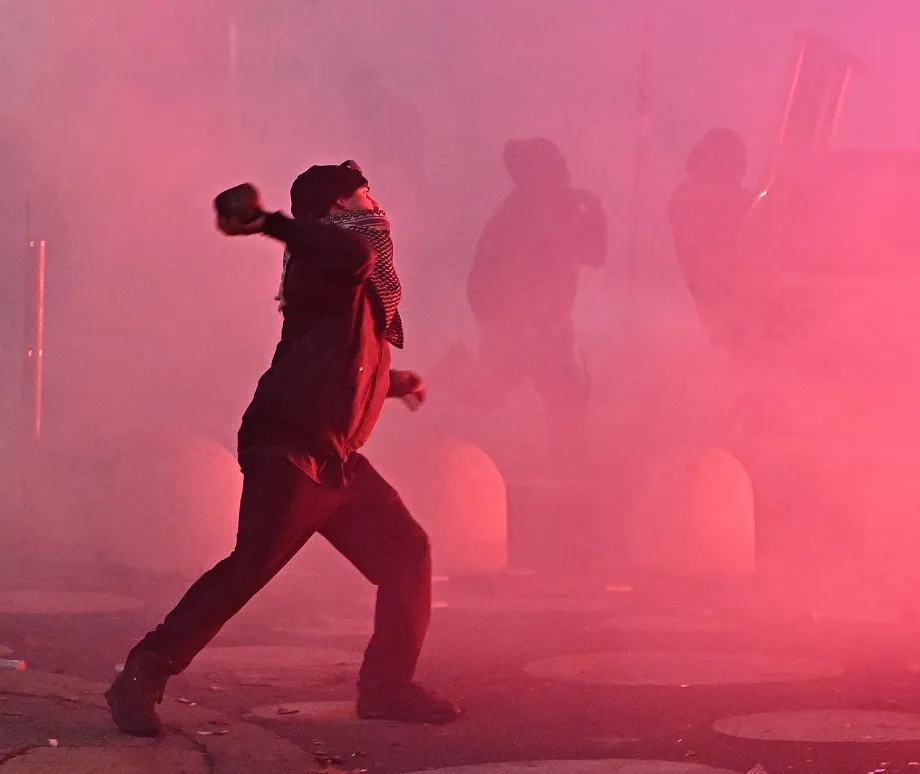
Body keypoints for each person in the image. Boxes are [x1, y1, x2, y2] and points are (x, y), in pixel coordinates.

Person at [105, 161, 459, 737]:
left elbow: (344, 357)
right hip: (291, 448)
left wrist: (394, 382)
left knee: (406, 553)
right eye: (367, 196)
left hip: (333, 456)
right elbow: (354, 258)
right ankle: (141, 675)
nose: (378, 208)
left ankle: (388, 688)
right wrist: (266, 222)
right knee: (249, 568)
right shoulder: (329, 264)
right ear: (339, 209)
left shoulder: (348, 282)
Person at [449, 138, 606, 472]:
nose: (566, 169)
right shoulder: (531, 212)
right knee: (536, 393)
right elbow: (591, 253)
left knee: (529, 392)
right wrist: (592, 214)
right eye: (556, 162)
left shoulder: (536, 207)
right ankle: (441, 390)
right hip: (526, 320)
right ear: (538, 171)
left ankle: (567, 465)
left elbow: (593, 254)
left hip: (539, 319)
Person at [667, 128, 757, 345]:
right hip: (721, 298)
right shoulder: (691, 197)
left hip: (733, 299)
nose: (742, 170)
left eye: (742, 163)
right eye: (736, 163)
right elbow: (702, 254)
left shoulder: (732, 198)